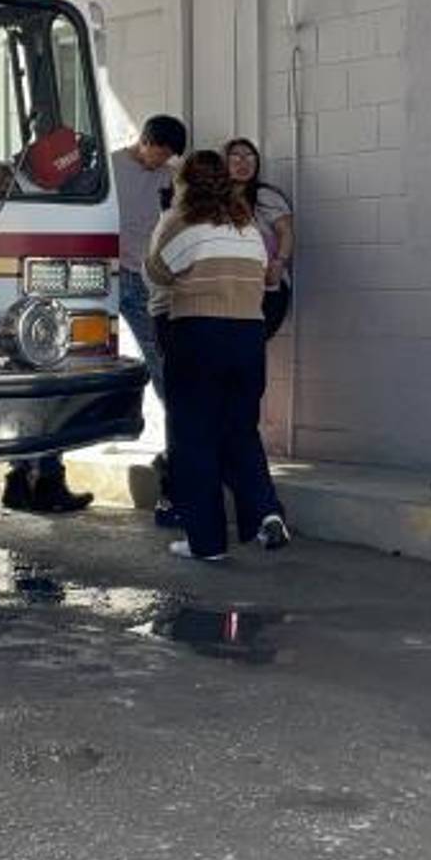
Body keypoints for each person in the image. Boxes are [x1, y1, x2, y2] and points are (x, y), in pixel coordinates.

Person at [2, 114, 188, 516]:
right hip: (91, 277)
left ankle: (178, 465)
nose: (164, 161)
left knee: (166, 371)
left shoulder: (172, 177)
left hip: (141, 281)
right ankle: (33, 475)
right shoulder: (104, 170)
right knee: (60, 374)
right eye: (161, 152)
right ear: (145, 140)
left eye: (171, 156)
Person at [147, 150, 291, 561]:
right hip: (248, 335)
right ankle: (265, 511)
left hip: (198, 332)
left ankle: (206, 542)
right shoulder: (247, 227)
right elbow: (265, 277)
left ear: (185, 184)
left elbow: (156, 272)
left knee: (194, 438)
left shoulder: (179, 220)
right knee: (240, 431)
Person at [224, 137, 295, 340]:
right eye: (236, 158)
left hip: (267, 285)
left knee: (250, 344)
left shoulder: (265, 196)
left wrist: (279, 262)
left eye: (249, 157)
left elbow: (286, 232)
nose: (243, 163)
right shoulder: (216, 201)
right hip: (231, 287)